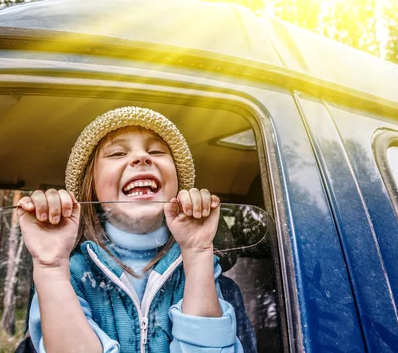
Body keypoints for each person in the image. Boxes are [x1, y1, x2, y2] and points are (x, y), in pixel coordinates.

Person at [18, 106, 250, 353]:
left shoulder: (205, 270)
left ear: (177, 185)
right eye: (117, 153)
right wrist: (51, 266)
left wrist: (197, 252)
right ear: (92, 185)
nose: (141, 158)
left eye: (157, 151)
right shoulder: (71, 273)